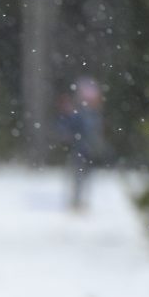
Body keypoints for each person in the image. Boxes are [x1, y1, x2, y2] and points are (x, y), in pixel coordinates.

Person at [59, 76, 105, 211]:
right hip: (81, 148)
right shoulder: (81, 113)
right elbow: (70, 126)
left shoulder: (91, 113)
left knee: (84, 175)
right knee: (79, 175)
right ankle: (76, 200)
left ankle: (78, 200)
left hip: (86, 148)